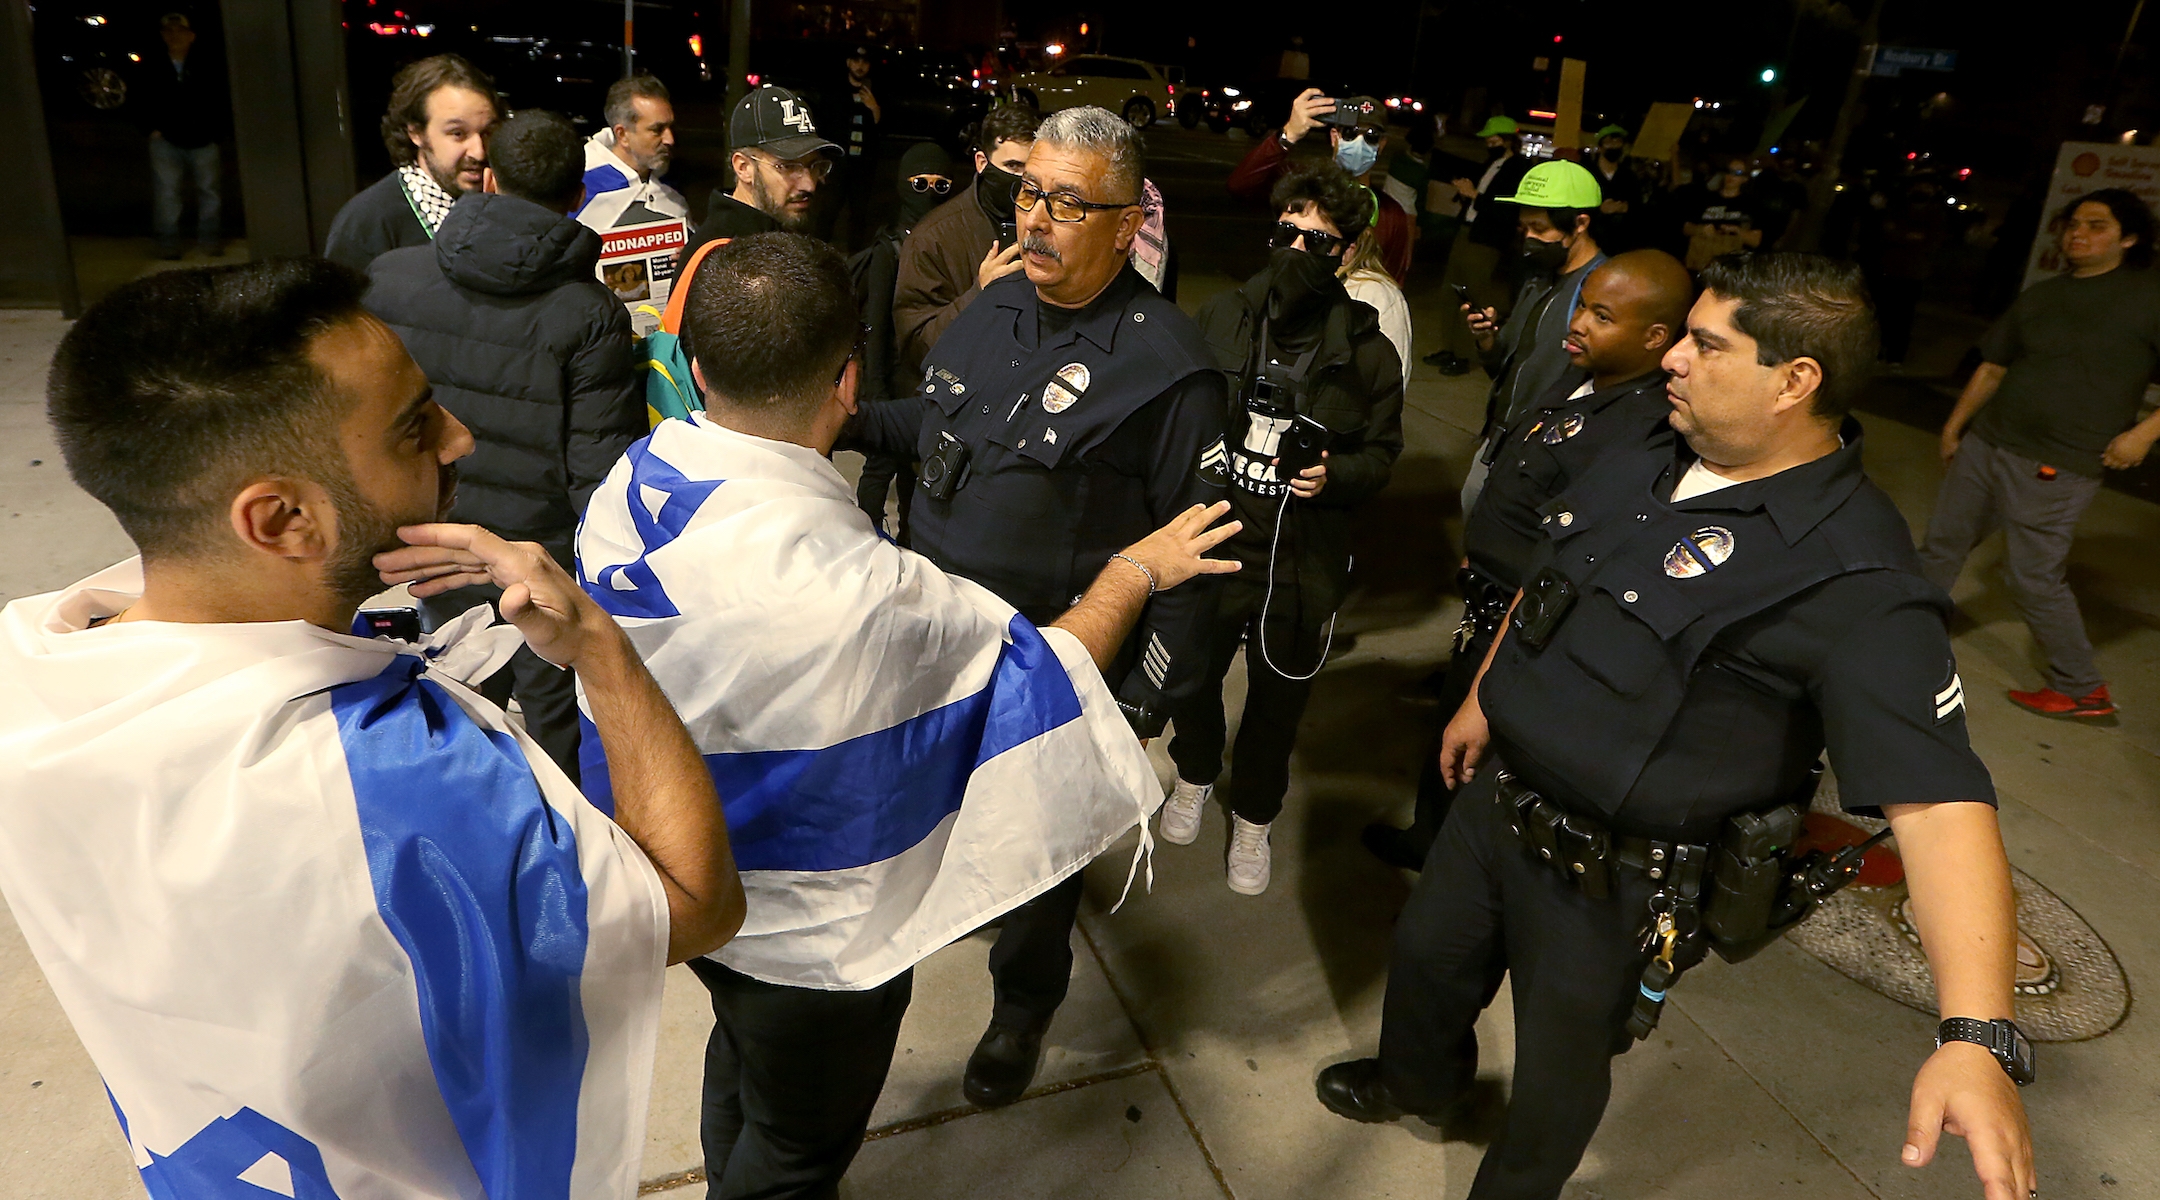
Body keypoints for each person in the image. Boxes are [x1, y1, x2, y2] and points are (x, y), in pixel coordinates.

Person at [2, 258, 742, 1199]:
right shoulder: (408, 785)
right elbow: (694, 903)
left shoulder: (33, 660)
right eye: (414, 429)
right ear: (281, 519)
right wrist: (598, 644)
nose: (460, 438)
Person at [1319, 253, 2037, 1200]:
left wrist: (1975, 1035)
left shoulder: (1856, 580)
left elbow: (1941, 806)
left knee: (1557, 1071)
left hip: (1612, 880)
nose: (1674, 363)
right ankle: (1416, 1081)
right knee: (1424, 965)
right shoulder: (1649, 447)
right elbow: (1550, 578)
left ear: (1795, 380)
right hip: (1495, 804)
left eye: (1706, 344)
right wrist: (1482, 698)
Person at [576, 231, 1237, 1200]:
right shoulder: (872, 597)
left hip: (686, 884)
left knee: (743, 1056)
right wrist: (1136, 571)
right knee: (799, 1151)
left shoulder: (630, 487)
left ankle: (727, 1169)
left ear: (699, 367)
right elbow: (1037, 677)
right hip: (813, 941)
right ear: (849, 381)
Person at [844, 106, 1230, 1108]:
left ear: (1124, 219)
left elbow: (1202, 561)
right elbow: (935, 419)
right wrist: (831, 418)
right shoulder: (996, 303)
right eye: (1030, 193)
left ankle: (1022, 1011)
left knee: (1037, 865)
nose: (1038, 220)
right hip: (932, 646)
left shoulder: (1168, 368)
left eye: (1070, 202)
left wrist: (1138, 706)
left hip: (1047, 670)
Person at [1364, 250, 1694, 870]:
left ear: (1655, 338)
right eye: (1582, 307)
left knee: (1476, 754)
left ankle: (1451, 865)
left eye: (1602, 315)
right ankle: (1428, 838)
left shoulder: (1642, 431)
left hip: (1521, 622)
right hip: (1485, 599)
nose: (1579, 324)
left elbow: (1572, 551)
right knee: (1449, 736)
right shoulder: (1585, 376)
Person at [363, 110, 646, 781]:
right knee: (554, 728)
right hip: (532, 560)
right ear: (579, 197)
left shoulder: (391, 277)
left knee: (456, 699)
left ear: (489, 177)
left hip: (431, 539)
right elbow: (596, 472)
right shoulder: (589, 313)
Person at [1164, 162, 1405, 893]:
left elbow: (1383, 454)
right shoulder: (1223, 317)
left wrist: (1337, 477)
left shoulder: (1368, 351)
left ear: (1351, 253)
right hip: (1216, 549)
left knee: (1275, 708)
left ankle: (1256, 818)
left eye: (1322, 242)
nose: (1300, 251)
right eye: (1288, 233)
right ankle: (1196, 774)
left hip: (1299, 564)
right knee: (1192, 684)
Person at [1920, 188, 2160, 722]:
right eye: (2072, 224)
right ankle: (1907, 628)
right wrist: (1956, 426)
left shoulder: (2148, 296)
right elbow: (1993, 367)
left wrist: (2144, 433)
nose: (2078, 233)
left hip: (2059, 461)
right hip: (1990, 442)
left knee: (2031, 577)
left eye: (2096, 225)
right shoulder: (2045, 295)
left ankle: (2080, 688)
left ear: (2130, 236)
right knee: (1943, 543)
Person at [1458, 160, 1607, 514]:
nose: (1529, 239)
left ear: (1580, 223)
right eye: (1524, 227)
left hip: (1543, 457)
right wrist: (1486, 340)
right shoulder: (1538, 278)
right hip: (1501, 438)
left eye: (1540, 228)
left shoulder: (1604, 290)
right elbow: (1503, 364)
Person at [892, 101, 1041, 376]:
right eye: (1012, 166)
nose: (1022, 180)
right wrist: (980, 294)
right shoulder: (933, 237)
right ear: (982, 163)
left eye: (1030, 170)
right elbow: (917, 347)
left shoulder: (1051, 225)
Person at [853, 143, 957, 535]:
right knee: (881, 467)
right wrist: (877, 391)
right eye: (919, 183)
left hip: (928, 378)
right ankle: (865, 536)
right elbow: (876, 326)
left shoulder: (944, 243)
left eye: (941, 185)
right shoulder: (890, 250)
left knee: (920, 468)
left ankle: (911, 539)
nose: (930, 193)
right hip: (893, 381)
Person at [324, 55, 501, 273]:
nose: (479, 151)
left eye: (488, 132)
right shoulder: (367, 221)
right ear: (416, 133)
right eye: (457, 133)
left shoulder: (503, 204)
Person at [1227, 90, 1413, 284]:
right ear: (1334, 137)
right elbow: (1239, 185)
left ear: (1381, 145)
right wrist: (1287, 135)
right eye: (1350, 133)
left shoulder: (1391, 215)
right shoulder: (1300, 184)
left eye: (1371, 136)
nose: (1360, 142)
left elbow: (1390, 282)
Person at [677, 86, 842, 268]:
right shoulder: (722, 261)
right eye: (788, 166)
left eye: (814, 166)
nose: (809, 184)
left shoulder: (777, 229)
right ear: (744, 167)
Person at [1427, 117, 1533, 374]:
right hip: (1468, 231)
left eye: (1493, 137)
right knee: (1451, 290)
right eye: (1487, 138)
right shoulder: (1493, 162)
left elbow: (1508, 207)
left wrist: (1475, 195)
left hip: (1487, 239)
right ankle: (1449, 348)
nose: (1489, 142)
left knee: (1472, 296)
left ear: (1508, 139)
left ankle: (1463, 354)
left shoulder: (1517, 166)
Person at [137, 12, 228, 260]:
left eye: (179, 31)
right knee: (167, 194)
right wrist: (150, 129)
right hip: (166, 140)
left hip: (203, 138)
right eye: (169, 32)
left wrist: (216, 132)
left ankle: (209, 241)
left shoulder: (207, 63)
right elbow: (139, 97)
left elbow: (221, 98)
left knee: (209, 193)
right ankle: (168, 244)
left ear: (191, 36)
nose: (174, 36)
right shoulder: (153, 63)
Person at [575, 74, 692, 233]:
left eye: (671, 127)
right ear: (622, 135)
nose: (669, 139)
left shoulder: (670, 186)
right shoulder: (578, 185)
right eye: (657, 130)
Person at [836, 44, 885, 249]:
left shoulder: (876, 91)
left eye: (864, 62)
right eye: (856, 61)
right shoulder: (837, 90)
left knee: (859, 216)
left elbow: (881, 131)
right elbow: (828, 125)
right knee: (828, 211)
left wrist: (874, 108)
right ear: (848, 63)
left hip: (863, 166)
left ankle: (855, 260)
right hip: (839, 162)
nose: (860, 66)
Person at [1680, 154, 1765, 271]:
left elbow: (1755, 241)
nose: (1731, 176)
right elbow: (1686, 228)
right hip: (1699, 263)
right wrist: (1701, 230)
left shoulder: (1750, 205)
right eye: (1729, 171)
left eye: (1738, 173)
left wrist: (1736, 231)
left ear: (1745, 178)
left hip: (1728, 267)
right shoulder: (1706, 198)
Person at [1587, 125, 1644, 253]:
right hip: (1592, 239)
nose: (1613, 146)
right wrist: (1600, 210)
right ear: (1600, 147)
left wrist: (1626, 208)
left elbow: (1639, 207)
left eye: (1618, 142)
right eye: (1608, 142)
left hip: (1621, 242)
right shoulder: (1588, 173)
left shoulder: (1629, 176)